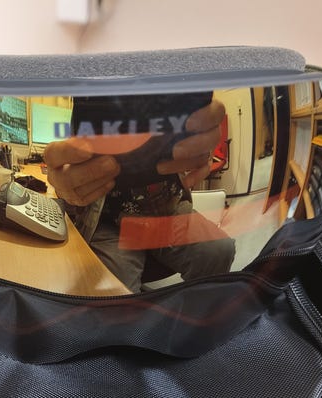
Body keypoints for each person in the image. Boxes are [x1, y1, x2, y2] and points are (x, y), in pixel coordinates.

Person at [44, 94, 235, 293]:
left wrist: (200, 143)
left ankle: (193, 310)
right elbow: (76, 160)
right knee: (115, 287)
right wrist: (69, 181)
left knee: (219, 250)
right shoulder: (96, 96)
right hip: (108, 219)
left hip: (168, 208)